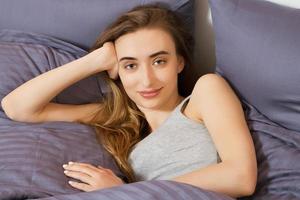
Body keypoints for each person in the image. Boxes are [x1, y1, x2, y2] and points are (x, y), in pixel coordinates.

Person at [1, 4, 257, 198]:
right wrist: (94, 61)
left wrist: (127, 192)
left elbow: (241, 177)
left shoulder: (204, 93)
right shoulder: (118, 117)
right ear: (118, 72)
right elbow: (18, 108)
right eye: (130, 65)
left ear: (179, 62)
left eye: (159, 61)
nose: (146, 80)